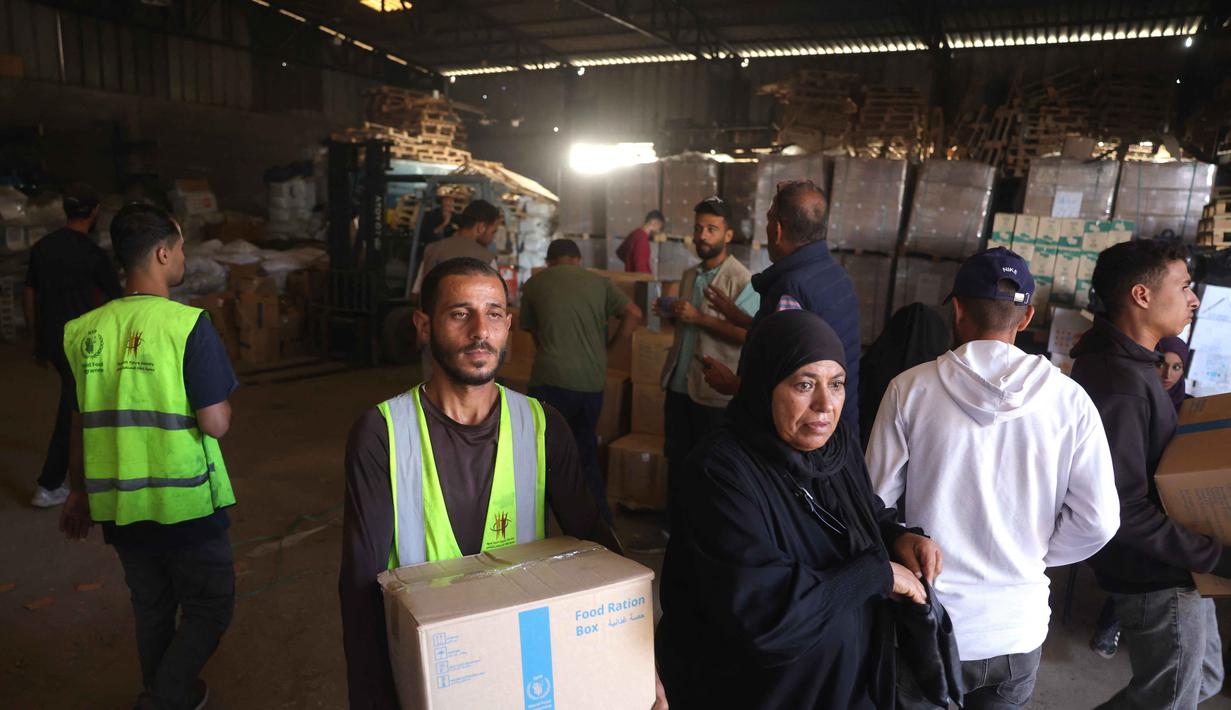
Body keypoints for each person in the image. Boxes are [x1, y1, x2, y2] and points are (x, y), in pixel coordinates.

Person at [340, 257, 666, 709]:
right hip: (427, 671)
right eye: (459, 314)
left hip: (522, 664)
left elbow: (596, 543)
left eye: (493, 314)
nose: (480, 331)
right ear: (423, 325)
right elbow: (359, 586)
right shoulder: (382, 432)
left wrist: (639, 662)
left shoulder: (540, 423)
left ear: (508, 325)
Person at [867, 247, 1120, 709]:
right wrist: (1034, 550)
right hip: (1016, 628)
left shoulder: (910, 389)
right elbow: (1100, 521)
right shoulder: (1070, 400)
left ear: (958, 308)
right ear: (1025, 318)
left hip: (933, 620)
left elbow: (873, 502)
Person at [656, 309, 940, 710]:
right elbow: (763, 614)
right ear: (763, 384)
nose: (825, 404)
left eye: (837, 384)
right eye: (805, 384)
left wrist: (897, 538)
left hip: (844, 687)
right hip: (757, 694)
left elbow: (857, 513)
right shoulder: (720, 473)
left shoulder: (834, 448)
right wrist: (874, 575)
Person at [59, 203, 239, 710]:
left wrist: (77, 491)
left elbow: (77, 421)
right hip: (186, 505)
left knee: (152, 605)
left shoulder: (81, 331)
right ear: (164, 253)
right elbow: (215, 423)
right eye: (181, 249)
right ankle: (162, 698)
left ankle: (169, 694)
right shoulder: (187, 325)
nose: (182, 257)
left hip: (119, 506)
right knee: (210, 606)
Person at [1070, 239, 1228, 709]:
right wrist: (1216, 557)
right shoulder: (1120, 384)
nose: (1193, 298)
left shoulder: (1132, 366)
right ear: (1142, 296)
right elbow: (1125, 509)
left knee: (1203, 680)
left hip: (1173, 565)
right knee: (1170, 700)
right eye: (1184, 286)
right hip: (1154, 575)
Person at [700, 180, 862, 429]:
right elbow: (796, 335)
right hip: (835, 424)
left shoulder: (790, 289)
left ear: (776, 230)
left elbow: (786, 382)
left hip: (798, 435)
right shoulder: (837, 275)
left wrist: (732, 384)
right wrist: (736, 315)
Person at [519, 238, 643, 523]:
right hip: (590, 385)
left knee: (541, 457)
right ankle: (600, 526)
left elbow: (532, 330)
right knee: (585, 453)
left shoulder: (535, 284)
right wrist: (610, 349)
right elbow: (633, 313)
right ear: (577, 259)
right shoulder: (598, 282)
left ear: (550, 262)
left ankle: (536, 526)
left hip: (549, 381)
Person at [657, 197, 757, 531]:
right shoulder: (690, 275)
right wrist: (673, 316)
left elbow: (748, 334)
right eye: (699, 228)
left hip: (711, 393)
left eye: (711, 229)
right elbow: (687, 327)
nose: (702, 235)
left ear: (727, 235)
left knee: (707, 468)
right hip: (679, 383)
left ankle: (703, 536)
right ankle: (674, 532)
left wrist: (699, 318)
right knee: (676, 462)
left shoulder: (742, 279)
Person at [23, 183, 122, 507]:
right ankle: (49, 485)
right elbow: (117, 297)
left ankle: (88, 470)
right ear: (94, 213)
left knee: (80, 402)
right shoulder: (92, 253)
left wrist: (36, 337)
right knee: (73, 409)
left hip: (52, 338)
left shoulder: (43, 247)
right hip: (83, 343)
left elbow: (30, 293)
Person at [410, 199, 501, 297]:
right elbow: (494, 297)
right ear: (481, 228)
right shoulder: (487, 258)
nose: (493, 238)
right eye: (493, 232)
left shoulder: (431, 249)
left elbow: (415, 294)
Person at [1157, 336, 1193, 412]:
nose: (1167, 375)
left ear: (1183, 370)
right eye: (1161, 365)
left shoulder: (1191, 405)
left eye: (1176, 367)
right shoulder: (1134, 399)